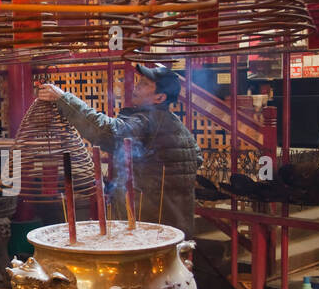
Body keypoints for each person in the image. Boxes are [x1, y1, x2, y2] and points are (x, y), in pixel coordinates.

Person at [37, 64, 199, 235]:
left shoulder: (146, 122)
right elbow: (197, 158)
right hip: (176, 228)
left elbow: (107, 132)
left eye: (144, 84)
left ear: (159, 97)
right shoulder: (177, 125)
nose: (136, 86)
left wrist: (64, 99)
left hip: (148, 231)